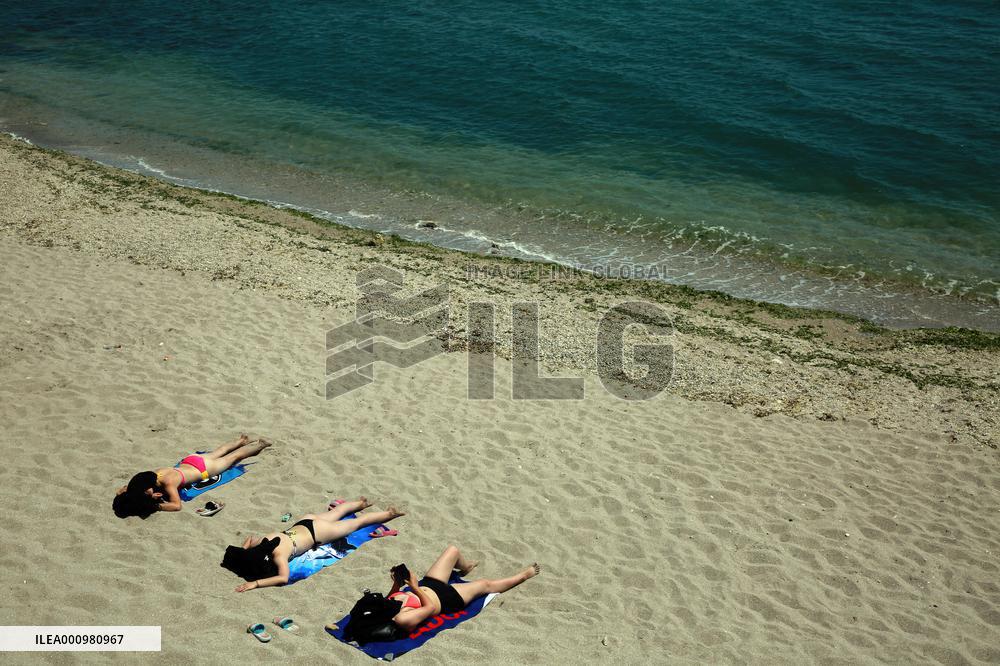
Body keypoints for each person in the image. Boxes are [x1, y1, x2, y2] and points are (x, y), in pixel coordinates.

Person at [333, 545, 540, 642]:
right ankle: (523, 576)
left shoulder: (384, 608)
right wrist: (414, 587)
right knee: (484, 584)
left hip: (429, 585)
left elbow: (392, 597)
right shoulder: (402, 619)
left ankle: (465, 567)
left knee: (453, 550)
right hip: (447, 598)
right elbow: (430, 608)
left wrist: (397, 585)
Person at [222, 498, 405, 592]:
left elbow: (283, 578)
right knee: (339, 511)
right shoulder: (263, 541)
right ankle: (361, 503)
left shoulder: (279, 556)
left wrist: (255, 583)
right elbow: (249, 539)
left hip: (317, 533)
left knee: (356, 524)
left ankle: (389, 514)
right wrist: (244, 553)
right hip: (304, 522)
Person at [113, 434, 270, 518]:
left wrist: (155, 506)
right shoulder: (151, 475)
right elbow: (124, 489)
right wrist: (128, 493)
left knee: (233, 458)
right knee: (219, 452)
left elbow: (176, 505)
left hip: (204, 470)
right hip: (192, 460)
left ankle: (260, 445)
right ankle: (242, 440)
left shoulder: (169, 483)